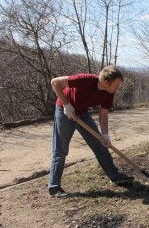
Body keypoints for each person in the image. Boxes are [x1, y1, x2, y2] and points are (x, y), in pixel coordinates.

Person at [48, 65, 134, 198]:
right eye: (116, 86)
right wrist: (66, 104)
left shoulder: (109, 93)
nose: (117, 89)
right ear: (106, 82)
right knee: (60, 150)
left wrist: (105, 135)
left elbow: (103, 114)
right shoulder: (85, 80)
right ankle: (54, 187)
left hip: (82, 114)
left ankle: (115, 176)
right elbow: (55, 82)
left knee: (100, 144)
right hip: (64, 112)